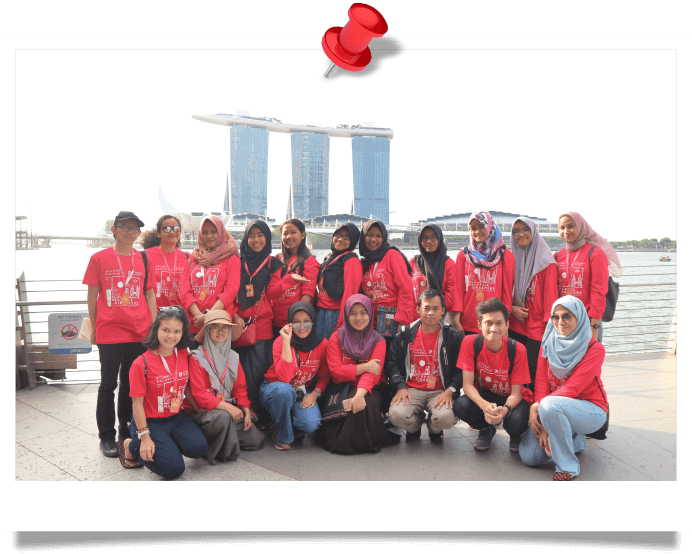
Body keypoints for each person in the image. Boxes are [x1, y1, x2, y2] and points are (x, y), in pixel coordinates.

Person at [83, 210, 157, 459]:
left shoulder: (144, 259)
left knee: (131, 385)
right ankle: (106, 436)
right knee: (107, 385)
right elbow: (92, 295)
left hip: (139, 332)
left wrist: (153, 327)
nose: (129, 231)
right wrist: (95, 328)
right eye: (124, 227)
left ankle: (125, 431)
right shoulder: (99, 258)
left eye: (134, 228)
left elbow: (150, 294)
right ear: (114, 229)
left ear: (138, 233)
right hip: (110, 331)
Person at [519, 296, 608, 481]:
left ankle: (568, 466)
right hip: (551, 409)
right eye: (556, 317)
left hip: (590, 410)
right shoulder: (548, 342)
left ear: (579, 317)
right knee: (530, 456)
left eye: (567, 316)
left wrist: (539, 406)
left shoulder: (594, 348)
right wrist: (543, 420)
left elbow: (574, 388)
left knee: (550, 405)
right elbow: (541, 383)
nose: (560, 322)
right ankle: (574, 440)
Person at [119, 306, 209, 479]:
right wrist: (145, 437)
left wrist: (196, 405)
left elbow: (184, 385)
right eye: (166, 330)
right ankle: (131, 445)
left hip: (176, 416)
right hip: (150, 421)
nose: (171, 336)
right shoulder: (141, 363)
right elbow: (137, 403)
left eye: (177, 331)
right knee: (173, 469)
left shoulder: (183, 353)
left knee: (199, 448)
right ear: (156, 330)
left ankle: (166, 445)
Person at [234, 219, 301, 426]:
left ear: (267, 238)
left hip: (261, 327)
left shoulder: (273, 264)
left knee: (256, 376)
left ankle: (258, 419)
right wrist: (234, 314)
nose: (256, 240)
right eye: (251, 235)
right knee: (237, 374)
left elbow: (272, 293)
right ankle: (240, 414)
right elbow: (230, 289)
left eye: (260, 235)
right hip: (237, 326)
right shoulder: (237, 261)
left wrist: (289, 279)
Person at [315, 294, 399, 454]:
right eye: (353, 313)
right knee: (347, 404)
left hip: (370, 387)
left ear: (370, 314)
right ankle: (342, 441)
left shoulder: (378, 340)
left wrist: (359, 395)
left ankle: (362, 442)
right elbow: (336, 370)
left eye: (363, 313)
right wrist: (365, 366)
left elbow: (373, 374)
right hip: (341, 386)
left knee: (366, 403)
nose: (358, 318)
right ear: (346, 315)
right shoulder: (336, 338)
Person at [184, 310, 264, 464]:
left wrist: (246, 412)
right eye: (215, 327)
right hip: (203, 412)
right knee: (224, 418)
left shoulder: (233, 356)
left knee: (255, 439)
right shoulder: (196, 358)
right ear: (207, 331)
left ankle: (224, 437)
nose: (220, 331)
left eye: (225, 327)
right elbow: (200, 395)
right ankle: (215, 443)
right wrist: (229, 408)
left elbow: (240, 389)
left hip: (226, 410)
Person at [453, 297, 532, 452]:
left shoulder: (517, 349)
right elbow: (467, 386)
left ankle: (516, 434)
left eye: (499, 323)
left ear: (507, 324)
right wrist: (484, 406)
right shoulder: (470, 342)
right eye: (488, 323)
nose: (493, 328)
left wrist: (505, 410)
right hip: (485, 394)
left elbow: (517, 393)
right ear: (479, 324)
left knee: (516, 421)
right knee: (460, 406)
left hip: (512, 398)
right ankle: (486, 429)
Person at [385, 289, 463, 443]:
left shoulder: (452, 336)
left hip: (440, 391)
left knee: (446, 418)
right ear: (418, 309)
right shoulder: (405, 334)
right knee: (396, 415)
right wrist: (400, 386)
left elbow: (462, 368)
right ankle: (415, 426)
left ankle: (435, 429)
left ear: (443, 311)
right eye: (426, 308)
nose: (430, 313)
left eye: (435, 308)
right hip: (411, 389)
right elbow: (391, 363)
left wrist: (451, 390)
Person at [259, 302, 330, 450]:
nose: (302, 327)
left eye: (307, 322)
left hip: (301, 390)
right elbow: (284, 378)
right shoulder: (281, 342)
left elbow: (324, 375)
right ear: (290, 324)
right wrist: (286, 341)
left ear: (313, 322)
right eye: (296, 323)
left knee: (311, 424)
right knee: (285, 391)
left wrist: (315, 393)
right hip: (275, 388)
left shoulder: (323, 344)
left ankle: (287, 425)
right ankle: (281, 435)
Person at [508, 217, 558, 391]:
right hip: (515, 325)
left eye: (525, 229)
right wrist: (511, 308)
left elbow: (551, 300)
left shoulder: (546, 262)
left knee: (533, 371)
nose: (520, 234)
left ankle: (534, 406)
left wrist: (549, 329)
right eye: (516, 231)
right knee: (515, 369)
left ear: (533, 232)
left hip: (537, 328)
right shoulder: (511, 259)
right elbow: (505, 290)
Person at [556, 211, 622, 342]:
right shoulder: (558, 255)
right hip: (563, 323)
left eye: (571, 226)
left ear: (581, 227)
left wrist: (594, 326)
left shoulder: (595, 254)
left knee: (589, 356)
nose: (566, 231)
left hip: (587, 322)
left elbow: (599, 292)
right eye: (562, 228)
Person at [451, 211, 515, 336]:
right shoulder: (464, 255)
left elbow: (507, 292)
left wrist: (505, 320)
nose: (477, 232)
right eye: (473, 228)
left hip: (494, 323)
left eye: (481, 227)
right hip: (468, 321)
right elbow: (458, 288)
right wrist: (456, 317)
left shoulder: (504, 255)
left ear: (490, 227)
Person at [179, 216, 241, 338]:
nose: (209, 236)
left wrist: (208, 316)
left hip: (219, 325)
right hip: (194, 323)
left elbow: (230, 292)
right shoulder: (194, 258)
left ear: (221, 233)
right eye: (205, 232)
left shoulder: (230, 258)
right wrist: (199, 315)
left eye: (213, 232)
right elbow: (184, 291)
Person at [359, 220, 416, 336]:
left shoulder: (392, 255)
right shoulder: (364, 262)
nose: (373, 239)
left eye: (378, 236)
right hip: (369, 321)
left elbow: (406, 289)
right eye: (369, 235)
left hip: (392, 320)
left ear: (384, 237)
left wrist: (402, 321)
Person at [315, 222, 363, 339]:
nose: (340, 239)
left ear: (353, 241)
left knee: (331, 346)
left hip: (335, 314)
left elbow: (349, 294)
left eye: (346, 237)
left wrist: (342, 322)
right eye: (338, 235)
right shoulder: (331, 257)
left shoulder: (351, 261)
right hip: (321, 310)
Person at [271, 219, 320, 335]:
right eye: (285, 233)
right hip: (274, 321)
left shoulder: (309, 261)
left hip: (296, 324)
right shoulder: (277, 259)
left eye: (293, 232)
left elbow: (307, 295)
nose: (288, 236)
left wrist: (295, 320)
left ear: (302, 235)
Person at [139, 214, 189, 309]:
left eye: (176, 228)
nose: (172, 232)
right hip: (154, 313)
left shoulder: (187, 257)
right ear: (158, 233)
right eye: (166, 229)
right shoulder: (145, 256)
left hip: (181, 314)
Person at [410, 224, 455, 321]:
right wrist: (418, 312)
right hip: (415, 316)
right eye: (424, 238)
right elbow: (407, 291)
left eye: (433, 237)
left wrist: (434, 311)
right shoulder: (413, 262)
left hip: (440, 317)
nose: (429, 241)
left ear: (439, 239)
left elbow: (451, 293)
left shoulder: (449, 264)